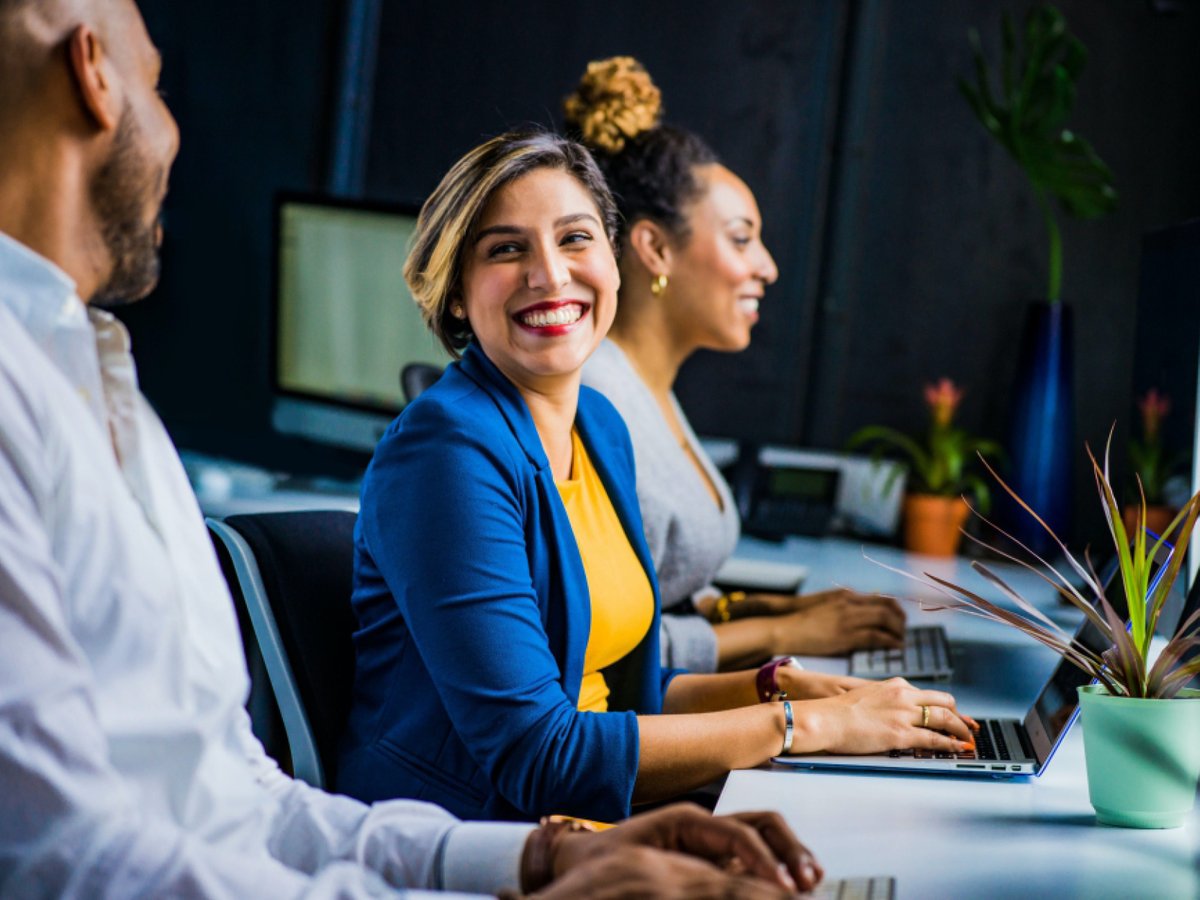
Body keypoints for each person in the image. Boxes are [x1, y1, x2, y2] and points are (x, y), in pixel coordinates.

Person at [0, 1, 823, 896]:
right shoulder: (446, 449)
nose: (174, 132)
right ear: (92, 72)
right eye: (158, 87)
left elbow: (243, 803)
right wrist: (790, 726)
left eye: (577, 238)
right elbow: (63, 861)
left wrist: (542, 861)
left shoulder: (103, 391)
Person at [338, 127, 977, 825]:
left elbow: (623, 696)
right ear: (457, 293)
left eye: (575, 239)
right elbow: (538, 755)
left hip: (592, 820)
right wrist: (804, 726)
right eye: (506, 249)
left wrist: (782, 689)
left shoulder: (601, 427)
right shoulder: (445, 452)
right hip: (473, 839)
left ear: (614, 262)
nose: (550, 274)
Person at [568, 57, 912, 674]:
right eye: (740, 237)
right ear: (654, 247)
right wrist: (785, 633)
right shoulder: (598, 402)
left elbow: (661, 593)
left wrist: (771, 611)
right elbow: (607, 651)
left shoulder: (648, 390)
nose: (767, 267)